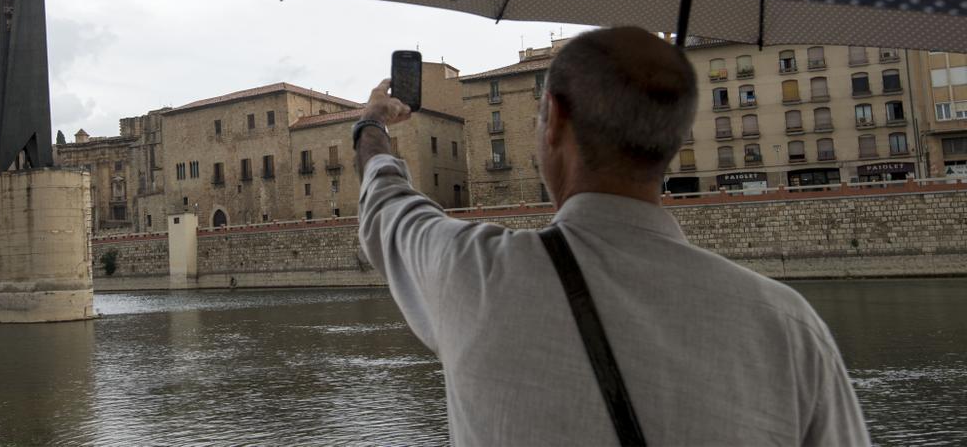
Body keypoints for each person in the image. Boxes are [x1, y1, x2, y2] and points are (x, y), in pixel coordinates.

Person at [354, 26, 869, 446]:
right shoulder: (790, 328)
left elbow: (387, 206)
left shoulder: (474, 275)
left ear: (554, 119)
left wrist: (372, 125)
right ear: (672, 140)